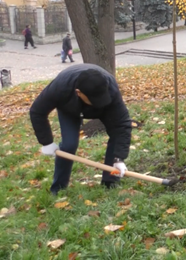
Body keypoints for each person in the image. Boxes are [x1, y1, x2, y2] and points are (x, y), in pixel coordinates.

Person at [29, 64, 132, 195]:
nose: (97, 102)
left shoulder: (110, 87)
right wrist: (47, 142)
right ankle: (58, 188)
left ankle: (110, 183)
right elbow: (37, 111)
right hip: (69, 108)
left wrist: (119, 158)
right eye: (94, 99)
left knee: (116, 136)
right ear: (79, 92)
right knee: (69, 145)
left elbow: (122, 125)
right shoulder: (60, 87)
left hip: (107, 107)